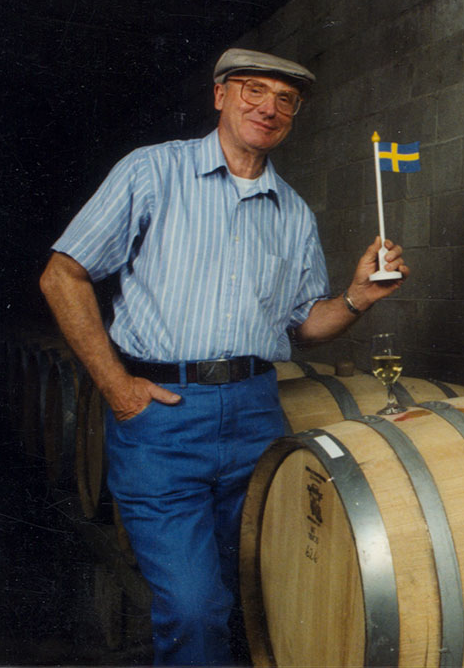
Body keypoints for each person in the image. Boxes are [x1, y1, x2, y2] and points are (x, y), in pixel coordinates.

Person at [39, 47, 408, 665]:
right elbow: (62, 276)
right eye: (252, 90)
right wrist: (117, 388)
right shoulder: (151, 172)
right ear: (219, 95)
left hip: (255, 417)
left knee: (255, 595)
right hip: (161, 418)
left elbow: (305, 326)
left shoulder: (292, 213)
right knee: (192, 608)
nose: (268, 107)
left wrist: (357, 296)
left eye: (284, 99)